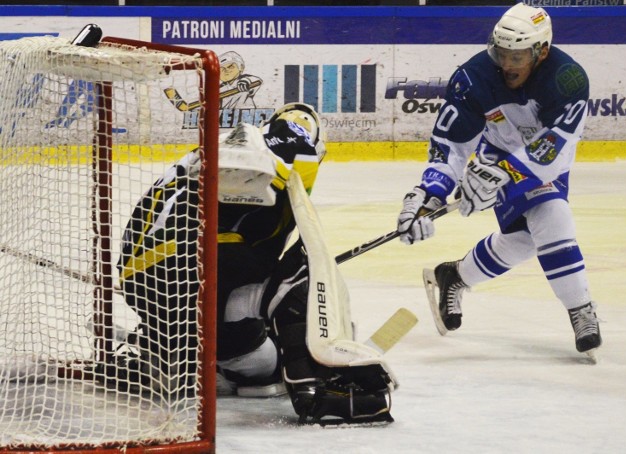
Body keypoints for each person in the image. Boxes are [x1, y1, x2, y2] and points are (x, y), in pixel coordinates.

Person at [112, 103, 393, 425]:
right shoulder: (283, 139)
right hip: (186, 268)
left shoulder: (213, 160)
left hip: (149, 282)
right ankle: (314, 389)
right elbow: (285, 138)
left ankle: (174, 352)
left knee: (263, 366)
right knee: (304, 270)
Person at [396, 3, 601, 356]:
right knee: (550, 218)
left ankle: (454, 276)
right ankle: (581, 309)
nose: (506, 64)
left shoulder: (568, 80)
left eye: (517, 56)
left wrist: (504, 176)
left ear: (542, 51)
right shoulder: (474, 77)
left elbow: (554, 151)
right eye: (501, 53)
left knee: (526, 237)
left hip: (544, 161)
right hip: (496, 154)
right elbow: (451, 145)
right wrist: (429, 192)